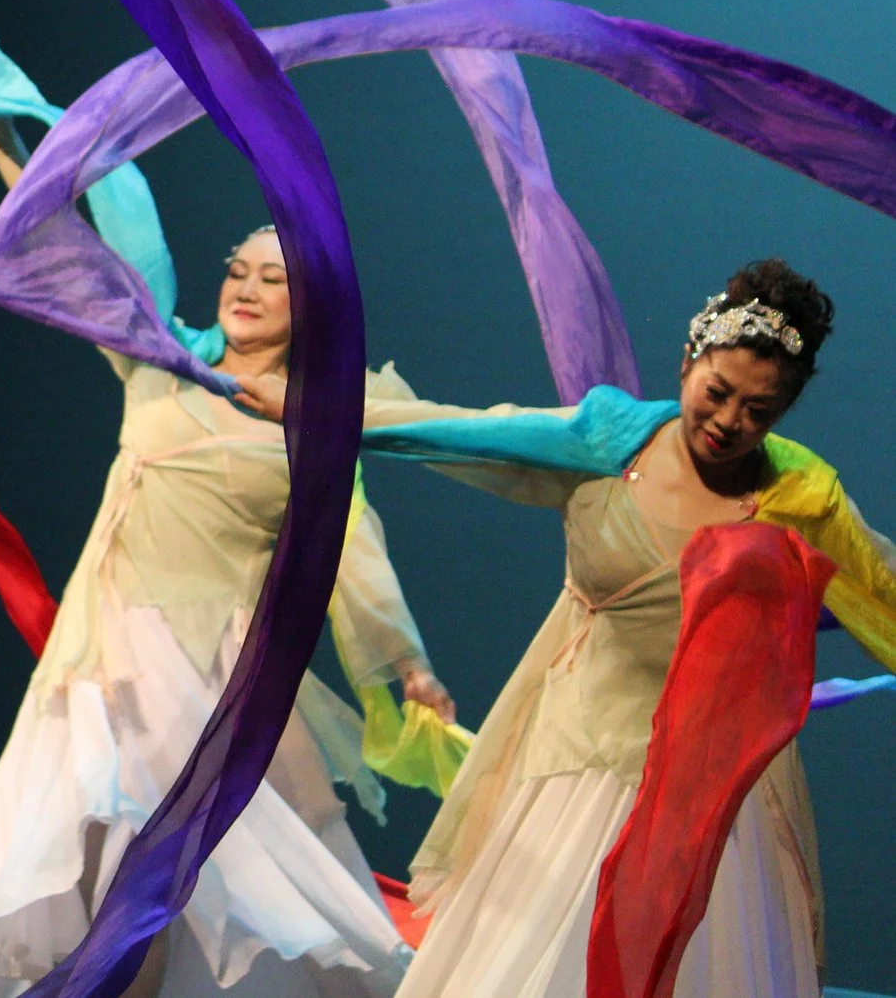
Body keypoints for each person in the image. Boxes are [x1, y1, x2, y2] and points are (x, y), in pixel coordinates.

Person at [0, 79, 457, 998]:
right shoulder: (163, 364)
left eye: (274, 278)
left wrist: (409, 666)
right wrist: (4, 141)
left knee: (195, 900)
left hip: (212, 685)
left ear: (315, 304)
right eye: (238, 270)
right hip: (105, 672)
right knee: (89, 874)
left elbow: (353, 555)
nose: (247, 288)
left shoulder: (313, 429)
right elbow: (84, 264)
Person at [251, 259, 892, 998]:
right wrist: (314, 406)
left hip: (712, 783)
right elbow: (463, 429)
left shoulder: (799, 494)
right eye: (718, 392)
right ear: (688, 360)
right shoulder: (609, 438)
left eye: (759, 410)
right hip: (582, 752)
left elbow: (881, 584)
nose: (729, 421)